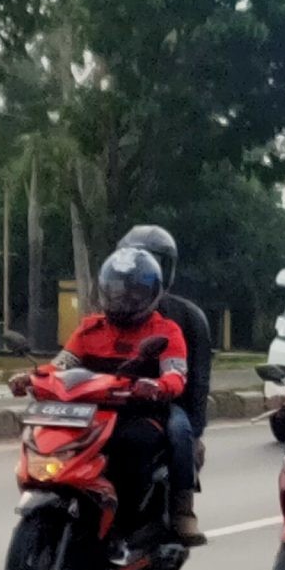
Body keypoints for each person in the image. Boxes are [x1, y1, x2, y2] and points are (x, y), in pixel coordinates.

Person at [12, 247, 189, 552]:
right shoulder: (89, 329)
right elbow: (61, 366)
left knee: (134, 446)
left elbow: (176, 375)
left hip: (138, 412)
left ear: (150, 294)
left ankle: (132, 524)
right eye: (116, 291)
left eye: (132, 292)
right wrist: (31, 377)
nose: (123, 299)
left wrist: (156, 386)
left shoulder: (165, 331)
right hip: (89, 412)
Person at [116, 224, 208, 545]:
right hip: (114, 398)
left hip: (168, 401)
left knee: (179, 432)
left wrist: (197, 433)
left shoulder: (188, 318)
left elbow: (198, 383)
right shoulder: (110, 313)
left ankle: (183, 509)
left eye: (149, 264)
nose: (139, 276)